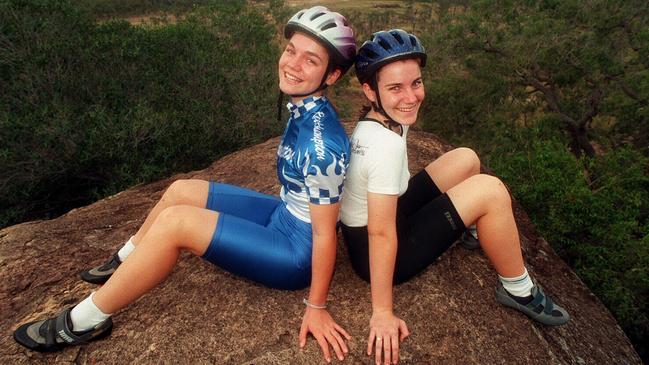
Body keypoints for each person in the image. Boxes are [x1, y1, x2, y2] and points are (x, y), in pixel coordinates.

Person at [14, 6, 356, 363]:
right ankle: (128, 261)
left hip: (294, 252)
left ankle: (85, 321)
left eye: (310, 60)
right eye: (291, 51)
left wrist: (316, 305)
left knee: (176, 223)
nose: (293, 64)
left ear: (331, 75)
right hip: (283, 213)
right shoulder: (305, 107)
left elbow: (323, 233)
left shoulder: (322, 147)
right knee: (181, 190)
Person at [340, 29, 569, 365]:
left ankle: (478, 229)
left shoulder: (377, 121)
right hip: (378, 251)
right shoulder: (383, 145)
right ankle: (518, 290)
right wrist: (382, 312)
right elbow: (380, 232)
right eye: (395, 88)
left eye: (415, 83)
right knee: (490, 190)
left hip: (383, 213)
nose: (410, 96)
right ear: (369, 90)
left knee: (466, 158)